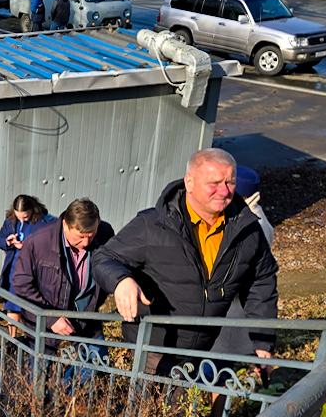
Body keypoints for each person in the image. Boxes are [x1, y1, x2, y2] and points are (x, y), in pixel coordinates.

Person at [91, 148, 279, 384]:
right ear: (189, 182)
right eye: (214, 183)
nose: (224, 191)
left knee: (184, 403)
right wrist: (122, 281)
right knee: (157, 405)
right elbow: (103, 258)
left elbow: (261, 282)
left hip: (202, 349)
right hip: (155, 347)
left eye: (230, 182)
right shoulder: (152, 225)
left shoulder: (248, 230)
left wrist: (262, 341)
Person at [11, 198, 116, 378]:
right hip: (45, 319)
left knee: (96, 362)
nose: (86, 243)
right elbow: (21, 283)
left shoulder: (105, 233)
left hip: (86, 316)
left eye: (91, 235)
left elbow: (113, 264)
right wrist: (51, 318)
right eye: (80, 236)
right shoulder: (38, 241)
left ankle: (66, 392)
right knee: (38, 374)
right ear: (65, 225)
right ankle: (41, 396)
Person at [211, 165, 275, 358]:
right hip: (232, 298)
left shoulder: (254, 225)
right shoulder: (249, 215)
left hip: (235, 299)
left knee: (221, 353)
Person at [0, 195, 53, 336]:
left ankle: (33, 338)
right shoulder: (10, 221)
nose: (21, 220)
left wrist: (28, 246)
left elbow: (48, 247)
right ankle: (12, 338)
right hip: (14, 268)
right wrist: (8, 242)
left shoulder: (43, 223)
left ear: (33, 210)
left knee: (31, 308)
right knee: (12, 305)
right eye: (18, 217)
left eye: (25, 217)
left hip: (32, 271)